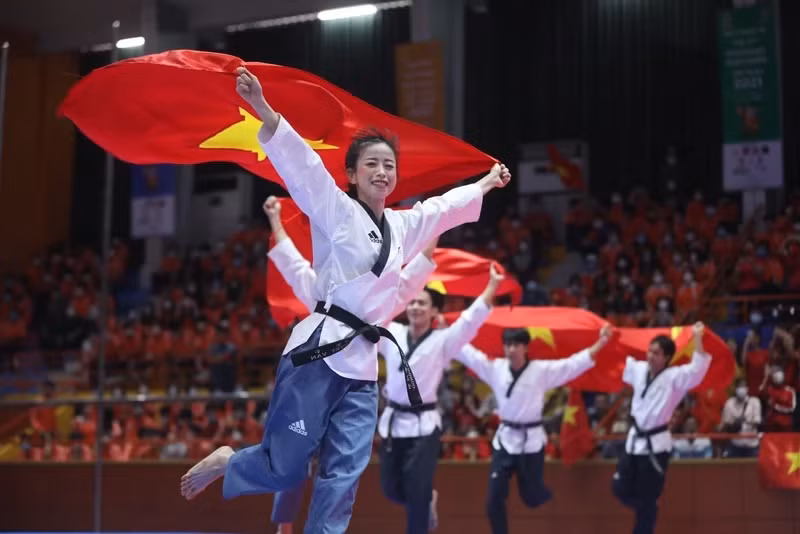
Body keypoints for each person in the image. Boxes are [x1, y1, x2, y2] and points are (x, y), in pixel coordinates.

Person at [180, 66, 510, 534]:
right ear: (353, 174)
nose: (382, 170)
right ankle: (232, 463)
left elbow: (442, 210)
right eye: (372, 163)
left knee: (344, 476)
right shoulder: (335, 208)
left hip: (361, 370)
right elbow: (302, 166)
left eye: (389, 165)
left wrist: (484, 184)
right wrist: (262, 108)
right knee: (286, 469)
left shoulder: (402, 225)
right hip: (317, 353)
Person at [266, 195, 504, 533]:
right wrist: (276, 221)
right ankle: (283, 524)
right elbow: (293, 265)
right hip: (311, 393)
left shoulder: (380, 315)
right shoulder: (321, 292)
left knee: (344, 474)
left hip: (359, 401)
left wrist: (433, 228)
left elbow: (413, 283)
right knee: (293, 452)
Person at [454, 324, 614, 534]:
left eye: (516, 345)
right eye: (508, 345)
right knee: (493, 500)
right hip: (505, 441)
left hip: (531, 443)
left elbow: (572, 365)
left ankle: (546, 493)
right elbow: (469, 354)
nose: (511, 350)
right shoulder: (495, 369)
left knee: (531, 498)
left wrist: (601, 343)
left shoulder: (540, 371)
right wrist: (446, 331)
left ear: (525, 348)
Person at [611, 322, 711, 534]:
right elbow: (618, 356)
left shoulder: (675, 378)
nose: (649, 355)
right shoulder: (639, 369)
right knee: (619, 489)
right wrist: (607, 337)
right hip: (634, 441)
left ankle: (647, 510)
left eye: (655, 353)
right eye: (649, 350)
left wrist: (698, 337)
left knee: (646, 505)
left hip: (656, 446)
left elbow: (699, 367)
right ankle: (648, 505)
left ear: (666, 358)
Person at [719, 377, 761, 458]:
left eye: (744, 386)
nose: (742, 389)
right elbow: (726, 423)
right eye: (739, 386)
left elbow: (757, 422)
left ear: (747, 389)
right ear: (735, 389)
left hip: (752, 445)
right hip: (735, 445)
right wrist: (735, 424)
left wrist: (744, 422)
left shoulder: (755, 401)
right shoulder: (729, 403)